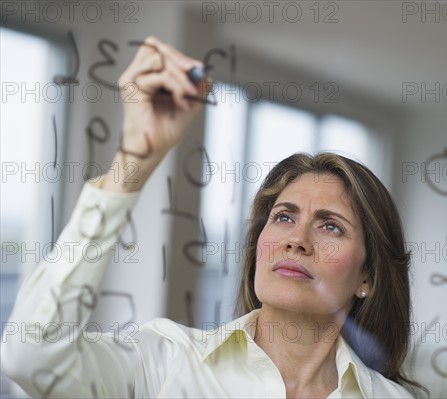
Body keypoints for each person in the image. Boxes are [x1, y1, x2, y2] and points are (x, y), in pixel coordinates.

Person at [1, 37, 423, 398]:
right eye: (282, 217)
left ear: (367, 276)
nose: (297, 239)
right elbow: (31, 355)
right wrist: (134, 161)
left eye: (330, 226)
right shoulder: (165, 363)